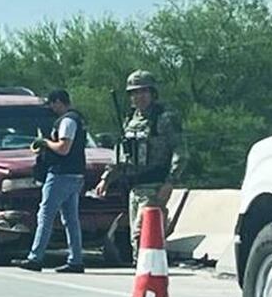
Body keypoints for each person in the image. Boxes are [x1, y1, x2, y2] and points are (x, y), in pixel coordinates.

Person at [95, 70, 185, 261]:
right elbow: (121, 156)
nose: (139, 97)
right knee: (136, 239)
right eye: (135, 93)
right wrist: (106, 178)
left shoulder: (164, 119)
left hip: (154, 185)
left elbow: (181, 152)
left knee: (142, 233)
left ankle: (150, 275)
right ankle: (144, 275)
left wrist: (170, 182)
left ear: (153, 93)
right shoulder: (131, 121)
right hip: (134, 188)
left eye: (144, 92)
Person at [16, 89, 87, 273]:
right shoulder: (77, 119)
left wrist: (45, 143)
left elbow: (63, 148)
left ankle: (35, 257)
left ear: (58, 102)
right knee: (71, 220)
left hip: (61, 175)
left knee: (45, 216)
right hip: (75, 175)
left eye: (52, 104)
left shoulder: (67, 121)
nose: (51, 108)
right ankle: (76, 260)